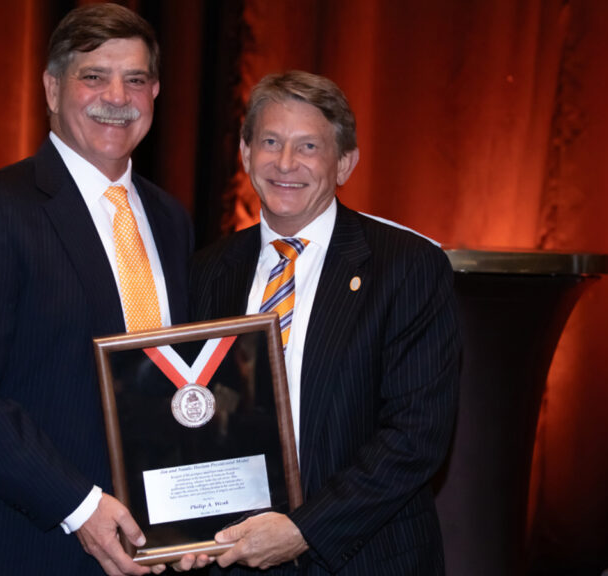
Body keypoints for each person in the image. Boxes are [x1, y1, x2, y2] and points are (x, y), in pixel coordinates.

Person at [0, 4, 192, 575]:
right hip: (9, 545)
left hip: (136, 550)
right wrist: (79, 506)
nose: (117, 95)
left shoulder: (170, 219)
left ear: (155, 91)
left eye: (135, 79)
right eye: (93, 76)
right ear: (52, 89)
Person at [188, 71, 460, 574]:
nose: (285, 163)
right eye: (270, 142)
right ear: (246, 154)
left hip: (364, 558)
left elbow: (416, 436)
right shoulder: (207, 270)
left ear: (344, 163)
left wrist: (303, 531)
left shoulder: (406, 266)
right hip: (233, 555)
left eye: (308, 146)